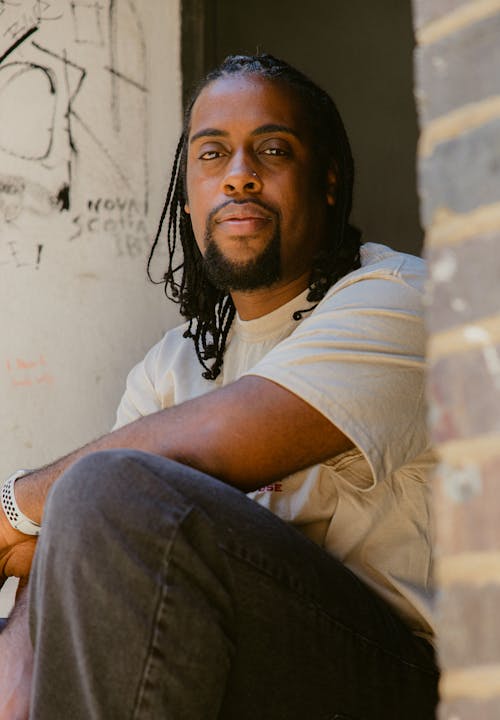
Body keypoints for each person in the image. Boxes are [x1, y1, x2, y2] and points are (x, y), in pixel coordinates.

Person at [0, 54, 439, 719]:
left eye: (272, 149)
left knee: (103, 488)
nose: (239, 176)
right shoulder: (168, 365)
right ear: (188, 196)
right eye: (213, 155)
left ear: (327, 183)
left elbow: (171, 462)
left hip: (395, 675)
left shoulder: (399, 299)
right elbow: (72, 540)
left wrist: (14, 504)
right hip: (242, 658)